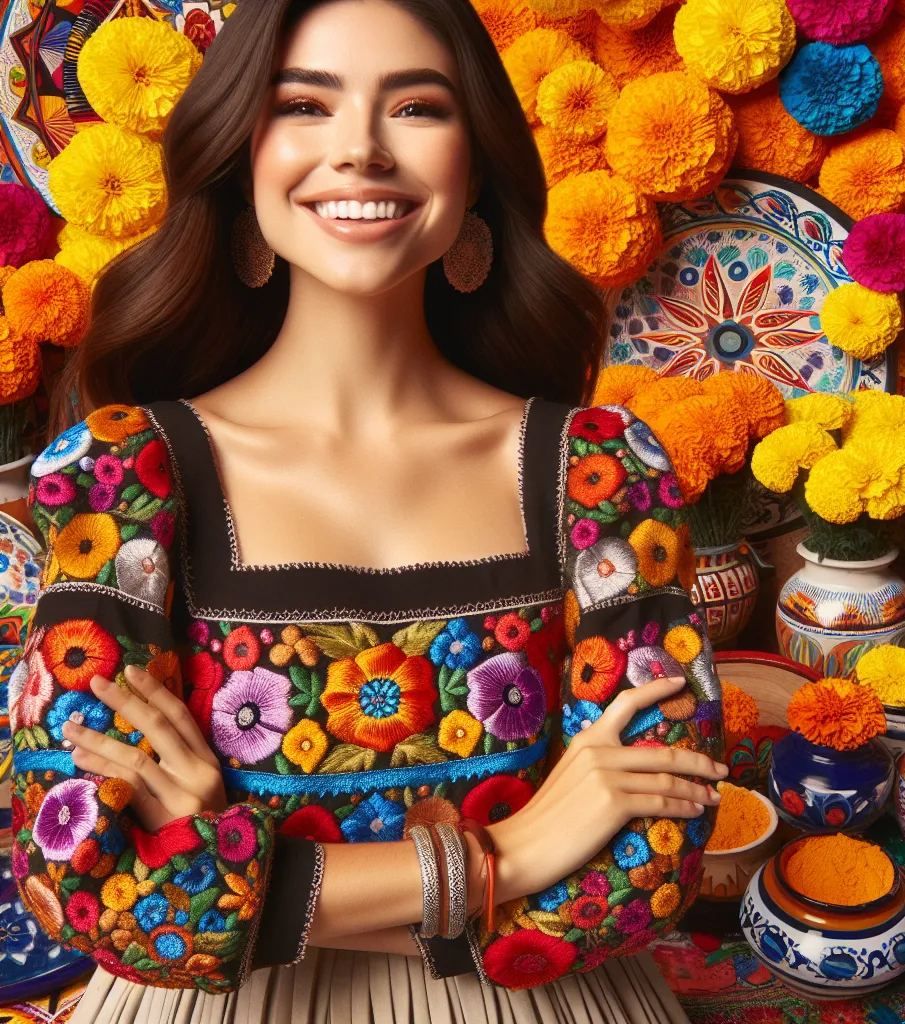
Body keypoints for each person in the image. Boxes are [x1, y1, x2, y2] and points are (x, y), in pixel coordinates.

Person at [11, 0, 727, 1020]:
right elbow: (83, 876)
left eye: (417, 108)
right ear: (242, 157)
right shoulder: (122, 476)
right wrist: (508, 855)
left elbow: (649, 872)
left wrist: (230, 861)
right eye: (305, 104)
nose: (358, 151)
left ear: (473, 169)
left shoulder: (602, 473)